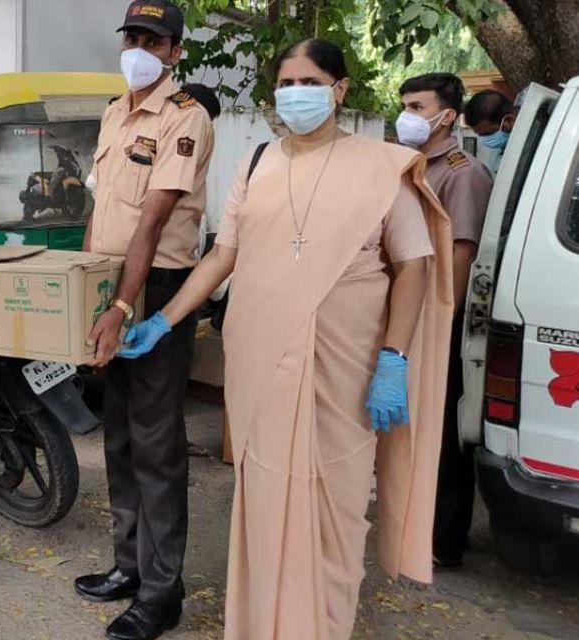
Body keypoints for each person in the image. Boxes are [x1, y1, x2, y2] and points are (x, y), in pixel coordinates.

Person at [119, 39, 454, 639]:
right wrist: (165, 319)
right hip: (261, 364)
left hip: (346, 374)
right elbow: (223, 256)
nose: (295, 93)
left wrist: (394, 359)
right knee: (267, 499)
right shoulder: (256, 164)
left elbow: (415, 265)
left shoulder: (383, 169)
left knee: (336, 511)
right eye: (286, 81)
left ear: (339, 89)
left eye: (310, 81)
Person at [75, 2, 215, 639]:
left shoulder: (186, 119)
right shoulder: (113, 112)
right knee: (120, 437)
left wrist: (125, 307)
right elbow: (102, 213)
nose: (138, 47)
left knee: (157, 446)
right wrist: (86, 292)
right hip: (110, 285)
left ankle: (162, 593)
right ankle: (128, 565)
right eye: (132, 36)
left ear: (175, 52)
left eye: (153, 40)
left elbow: (152, 221)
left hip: (155, 290)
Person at [397, 73, 494, 569]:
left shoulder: (463, 172)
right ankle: (414, 523)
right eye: (405, 105)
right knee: (413, 425)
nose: (407, 115)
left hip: (441, 319)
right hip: (407, 314)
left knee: (441, 430)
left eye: (417, 106)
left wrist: (441, 320)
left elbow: (462, 253)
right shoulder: (410, 165)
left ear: (448, 115)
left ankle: (444, 538)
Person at [463, 89, 517, 175]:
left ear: (509, 121)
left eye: (487, 134)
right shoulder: (498, 155)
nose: (485, 140)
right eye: (481, 135)